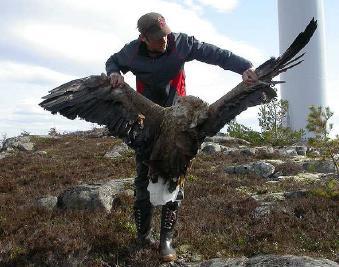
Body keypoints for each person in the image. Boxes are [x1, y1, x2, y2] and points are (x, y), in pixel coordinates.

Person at [105, 12, 258, 262]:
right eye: (157, 38)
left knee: (175, 176)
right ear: (143, 38)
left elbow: (215, 54)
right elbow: (112, 61)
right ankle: (142, 236)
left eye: (165, 35)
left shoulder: (181, 43)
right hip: (146, 121)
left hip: (180, 120)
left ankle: (166, 240)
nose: (164, 41)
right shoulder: (131, 52)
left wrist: (244, 67)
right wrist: (114, 72)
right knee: (144, 176)